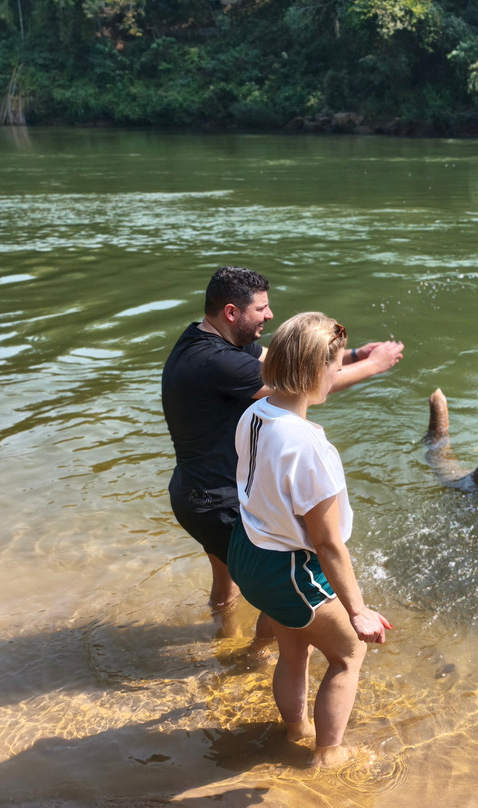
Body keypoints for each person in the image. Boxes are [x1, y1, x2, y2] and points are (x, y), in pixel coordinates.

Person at [161, 266, 403, 644]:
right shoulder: (219, 362)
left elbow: (283, 359)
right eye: (262, 309)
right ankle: (253, 655)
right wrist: (375, 365)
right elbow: (300, 381)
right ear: (231, 312)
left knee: (228, 580)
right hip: (217, 500)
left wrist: (348, 353)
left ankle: (225, 638)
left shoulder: (210, 339)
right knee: (276, 589)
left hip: (196, 492)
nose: (270, 315)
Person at [228, 312, 391, 767]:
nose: (338, 373)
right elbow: (328, 544)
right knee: (348, 653)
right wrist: (358, 611)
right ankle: (328, 753)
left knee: (293, 649)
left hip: (250, 551)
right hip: (288, 567)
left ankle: (296, 728)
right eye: (335, 364)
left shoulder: (255, 414)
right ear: (314, 369)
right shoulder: (309, 445)